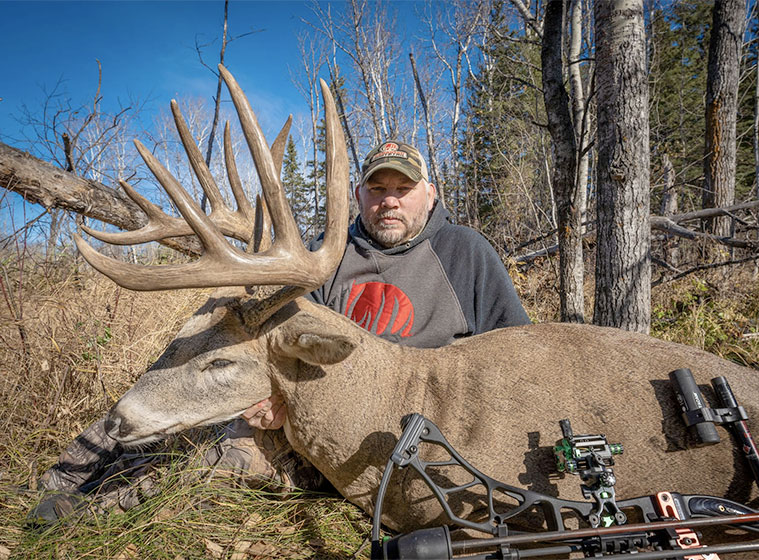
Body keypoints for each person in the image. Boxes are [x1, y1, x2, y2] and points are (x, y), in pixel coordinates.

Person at [29, 139, 530, 523]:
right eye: (378, 189)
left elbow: (513, 353)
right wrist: (275, 397)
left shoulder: (466, 253)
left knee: (222, 458)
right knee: (195, 384)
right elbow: (277, 340)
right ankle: (65, 477)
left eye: (403, 189)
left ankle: (97, 518)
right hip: (313, 414)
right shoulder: (323, 257)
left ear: (429, 194)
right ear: (359, 195)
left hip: (417, 429)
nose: (390, 202)